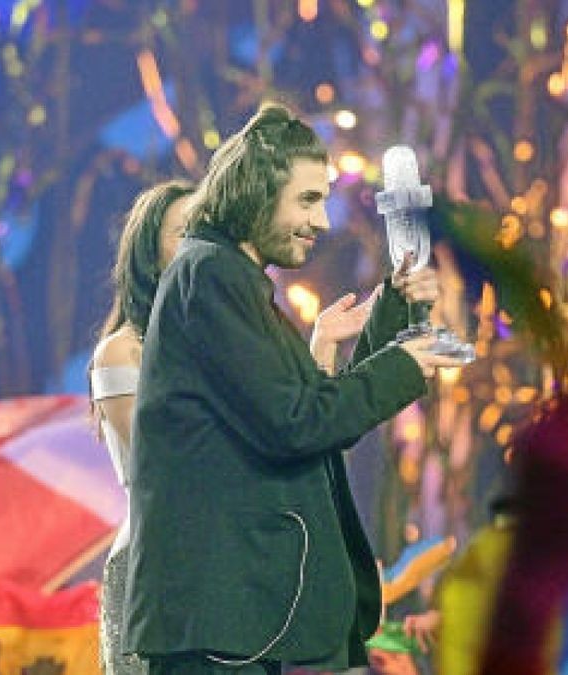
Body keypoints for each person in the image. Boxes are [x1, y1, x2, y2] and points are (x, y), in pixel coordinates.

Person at [123, 102, 459, 674]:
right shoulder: (211, 274)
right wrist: (403, 365)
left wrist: (397, 309)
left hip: (237, 624)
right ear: (255, 191)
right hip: (217, 621)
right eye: (307, 199)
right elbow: (297, 422)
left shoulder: (234, 279)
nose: (323, 222)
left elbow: (318, 414)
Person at [91, 178, 388, 675]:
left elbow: (295, 432)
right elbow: (172, 459)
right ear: (149, 253)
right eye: (184, 234)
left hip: (242, 572)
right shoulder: (124, 350)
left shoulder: (230, 341)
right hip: (170, 573)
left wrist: (319, 351)